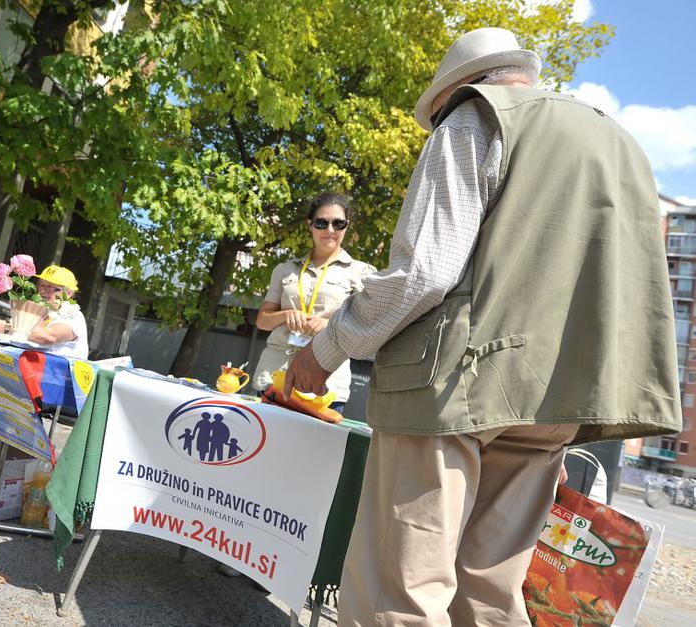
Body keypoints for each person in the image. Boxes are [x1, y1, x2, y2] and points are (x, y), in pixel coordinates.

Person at [283, 27, 681, 626]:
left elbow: (425, 272)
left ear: (455, 92)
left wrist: (327, 346)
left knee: (403, 592)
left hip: (449, 389)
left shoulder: (473, 118)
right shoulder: (617, 143)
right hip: (557, 395)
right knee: (491, 595)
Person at [252, 192, 376, 413]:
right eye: (321, 223)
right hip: (273, 376)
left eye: (338, 223)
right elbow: (262, 321)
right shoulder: (284, 270)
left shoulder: (363, 273)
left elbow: (367, 328)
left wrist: (329, 325)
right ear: (310, 225)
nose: (330, 230)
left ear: (347, 226)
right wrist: (286, 315)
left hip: (326, 382)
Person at [0, 264, 88, 436]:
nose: (44, 292)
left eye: (53, 289)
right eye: (42, 286)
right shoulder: (43, 312)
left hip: (55, 388)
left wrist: (3, 326)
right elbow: (18, 334)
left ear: (68, 294)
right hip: (30, 378)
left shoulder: (73, 316)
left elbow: (48, 337)